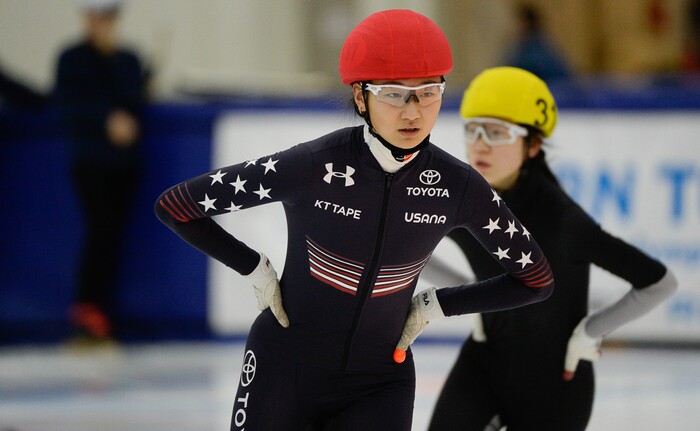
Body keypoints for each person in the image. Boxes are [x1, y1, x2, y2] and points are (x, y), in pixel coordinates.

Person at [155, 10, 554, 431]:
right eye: (394, 94)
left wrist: (436, 305)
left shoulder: (459, 186)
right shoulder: (311, 165)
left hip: (380, 385)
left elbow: (536, 280)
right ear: (361, 97)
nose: (413, 112)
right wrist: (255, 268)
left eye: (429, 92)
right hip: (283, 371)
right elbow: (177, 206)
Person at [427, 67, 678, 431]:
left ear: (533, 145)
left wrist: (591, 332)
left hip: (556, 380)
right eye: (472, 129)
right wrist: (472, 297)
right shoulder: (464, 200)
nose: (480, 143)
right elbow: (405, 249)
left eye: (496, 133)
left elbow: (659, 282)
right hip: (482, 364)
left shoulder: (563, 221)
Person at [54, 0, 148, 341]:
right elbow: (70, 105)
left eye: (107, 16)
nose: (101, 22)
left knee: (114, 236)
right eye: (95, 15)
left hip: (124, 165)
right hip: (91, 162)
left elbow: (133, 99)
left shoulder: (128, 59)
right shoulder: (72, 58)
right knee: (100, 231)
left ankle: (103, 311)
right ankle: (87, 308)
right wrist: (107, 120)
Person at [503, 3, 571, 83]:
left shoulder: (535, 52)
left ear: (526, 24)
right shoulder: (527, 47)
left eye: (518, 23)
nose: (512, 28)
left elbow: (510, 74)